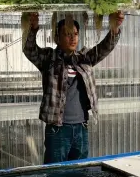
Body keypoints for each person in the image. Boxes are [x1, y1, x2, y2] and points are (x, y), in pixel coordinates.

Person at [23, 11, 124, 164]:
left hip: (81, 128)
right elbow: (29, 49)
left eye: (75, 34)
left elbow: (105, 47)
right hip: (58, 129)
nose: (72, 38)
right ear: (57, 38)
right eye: (67, 34)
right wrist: (33, 27)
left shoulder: (84, 58)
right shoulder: (49, 58)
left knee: (79, 174)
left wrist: (115, 28)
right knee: (55, 174)